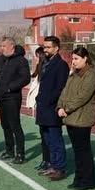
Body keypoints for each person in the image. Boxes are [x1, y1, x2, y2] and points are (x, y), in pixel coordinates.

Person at [56, 46, 95, 189]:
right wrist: (59, 107)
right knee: (78, 152)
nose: (73, 62)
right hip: (71, 118)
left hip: (82, 119)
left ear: (85, 58)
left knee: (84, 151)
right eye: (72, 59)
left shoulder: (92, 75)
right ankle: (79, 179)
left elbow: (82, 96)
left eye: (76, 59)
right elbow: (65, 92)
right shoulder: (73, 74)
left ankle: (88, 181)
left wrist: (67, 108)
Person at [34, 36, 69, 178]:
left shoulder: (61, 65)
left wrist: (48, 100)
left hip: (52, 108)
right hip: (43, 108)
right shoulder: (45, 63)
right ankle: (52, 165)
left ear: (56, 48)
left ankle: (59, 168)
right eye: (44, 47)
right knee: (47, 139)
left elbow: (60, 88)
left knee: (55, 140)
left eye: (48, 47)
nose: (45, 50)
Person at [27, 47, 49, 168]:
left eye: (37, 55)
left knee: (47, 135)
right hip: (40, 103)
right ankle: (46, 160)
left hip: (44, 104)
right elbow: (34, 75)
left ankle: (48, 160)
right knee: (44, 134)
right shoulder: (41, 66)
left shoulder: (45, 66)